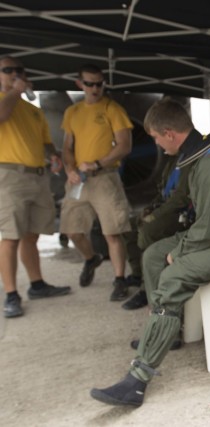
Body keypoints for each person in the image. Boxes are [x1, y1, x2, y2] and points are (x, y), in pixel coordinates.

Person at [90, 98, 210, 407]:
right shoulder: (198, 157)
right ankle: (165, 334)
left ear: (169, 133)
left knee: (173, 273)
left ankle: (137, 379)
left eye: (157, 138)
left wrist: (181, 252)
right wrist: (174, 248)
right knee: (154, 255)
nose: (157, 145)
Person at [0, 56, 71, 318]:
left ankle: (37, 284)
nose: (15, 74)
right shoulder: (5, 101)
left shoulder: (32, 109)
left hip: (38, 176)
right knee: (10, 236)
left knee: (32, 234)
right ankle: (10, 294)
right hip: (9, 177)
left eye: (19, 70)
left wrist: (53, 155)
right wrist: (15, 91)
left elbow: (45, 141)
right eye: (8, 71)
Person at [59, 64, 134, 302]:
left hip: (105, 178)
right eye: (90, 83)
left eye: (99, 83)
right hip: (78, 181)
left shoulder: (113, 108)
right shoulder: (72, 112)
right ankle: (91, 259)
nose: (95, 88)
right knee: (72, 230)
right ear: (79, 84)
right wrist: (69, 169)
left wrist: (98, 164)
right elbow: (67, 148)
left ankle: (120, 279)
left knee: (113, 231)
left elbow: (124, 145)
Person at [120, 151, 196, 311]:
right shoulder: (173, 160)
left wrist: (156, 215)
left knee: (148, 231)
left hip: (183, 213)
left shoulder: (191, 159)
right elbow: (163, 192)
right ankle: (137, 274)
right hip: (166, 208)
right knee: (129, 227)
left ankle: (145, 287)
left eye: (156, 137)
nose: (158, 144)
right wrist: (150, 208)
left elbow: (181, 198)